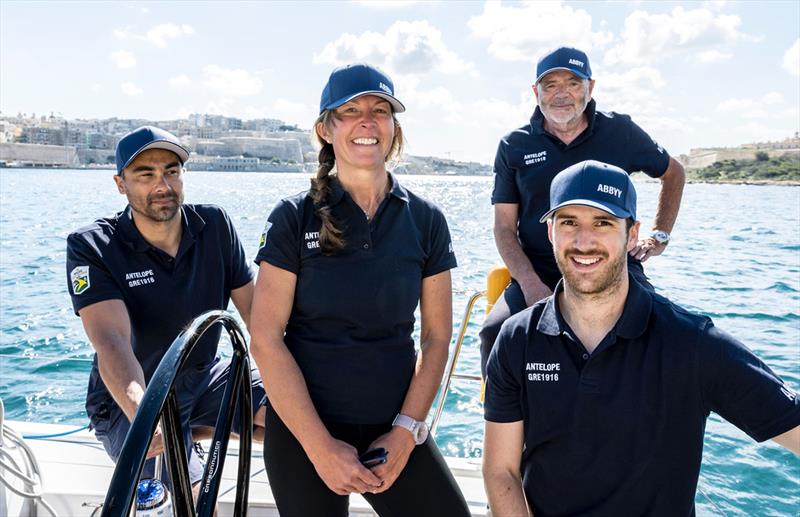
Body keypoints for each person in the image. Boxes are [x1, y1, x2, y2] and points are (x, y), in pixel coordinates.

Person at [482, 160, 800, 516]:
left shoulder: (692, 344)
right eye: (569, 222)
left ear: (632, 234)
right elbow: (501, 470)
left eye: (603, 223)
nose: (584, 241)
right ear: (551, 233)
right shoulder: (517, 338)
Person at [249, 63, 470, 516]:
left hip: (392, 430)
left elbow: (435, 338)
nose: (367, 121)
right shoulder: (293, 217)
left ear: (394, 127)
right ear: (325, 129)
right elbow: (266, 339)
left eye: (380, 110)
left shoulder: (426, 220)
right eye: (350, 111)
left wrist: (407, 431)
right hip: (304, 433)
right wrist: (320, 447)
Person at [66, 126, 266, 488]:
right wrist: (145, 414)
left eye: (171, 171)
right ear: (120, 183)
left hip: (206, 377)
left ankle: (194, 433)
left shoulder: (215, 226)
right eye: (145, 174)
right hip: (130, 396)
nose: (163, 185)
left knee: (292, 419)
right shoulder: (93, 245)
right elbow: (111, 341)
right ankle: (183, 446)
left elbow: (260, 319)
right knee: (184, 490)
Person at [480, 46, 687, 377]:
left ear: (590, 88)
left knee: (661, 331)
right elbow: (504, 228)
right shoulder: (514, 146)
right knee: (496, 332)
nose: (562, 94)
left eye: (573, 83)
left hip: (614, 269)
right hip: (541, 268)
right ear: (536, 92)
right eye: (550, 85)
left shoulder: (621, 132)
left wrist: (659, 237)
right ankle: (508, 421)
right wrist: (531, 284)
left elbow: (673, 173)